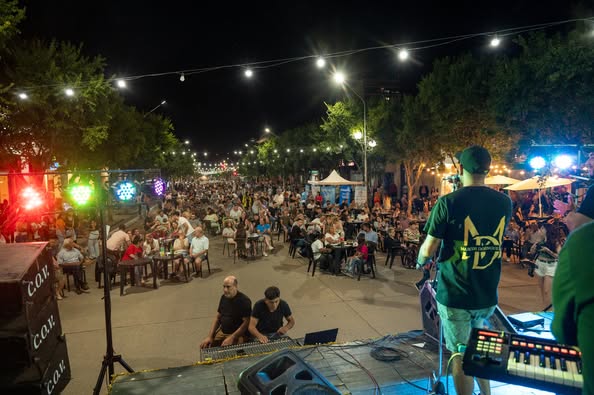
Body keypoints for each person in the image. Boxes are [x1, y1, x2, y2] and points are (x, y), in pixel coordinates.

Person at [416, 146, 512, 395]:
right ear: (488, 169)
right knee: (480, 349)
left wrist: (420, 260)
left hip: (457, 293)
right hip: (487, 293)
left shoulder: (449, 202)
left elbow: (429, 248)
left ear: (462, 169)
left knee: (460, 353)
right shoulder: (504, 202)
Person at [200, 276, 252, 348]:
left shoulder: (244, 301)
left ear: (235, 286)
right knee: (206, 346)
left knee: (235, 351)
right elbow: (217, 318)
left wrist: (232, 337)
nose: (225, 290)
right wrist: (210, 336)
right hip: (223, 331)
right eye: (224, 287)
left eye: (228, 287)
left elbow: (246, 323)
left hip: (238, 334)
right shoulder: (223, 297)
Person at [532, 223, 563, 309]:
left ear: (547, 230)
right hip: (540, 264)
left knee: (546, 290)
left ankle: (549, 309)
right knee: (542, 289)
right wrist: (533, 248)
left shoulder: (554, 242)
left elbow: (560, 256)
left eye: (542, 229)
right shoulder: (540, 241)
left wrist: (548, 251)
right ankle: (545, 308)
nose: (540, 230)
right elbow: (532, 253)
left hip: (551, 266)